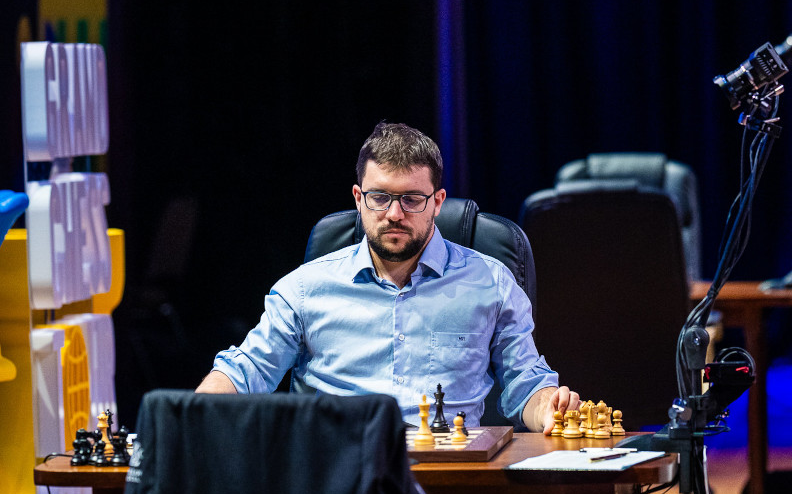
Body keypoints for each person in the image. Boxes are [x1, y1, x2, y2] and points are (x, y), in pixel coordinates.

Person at [197, 121, 578, 434]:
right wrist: (199, 411)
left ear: (438, 202)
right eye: (379, 197)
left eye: (411, 199)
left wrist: (550, 407)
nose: (394, 214)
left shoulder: (491, 284)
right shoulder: (302, 289)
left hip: (450, 484)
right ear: (358, 198)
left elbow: (526, 384)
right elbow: (246, 371)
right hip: (338, 484)